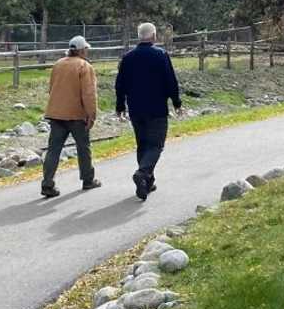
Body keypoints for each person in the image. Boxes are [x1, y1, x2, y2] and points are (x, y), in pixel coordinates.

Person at [115, 22, 181, 201]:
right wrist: (176, 102)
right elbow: (170, 81)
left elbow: (120, 84)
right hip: (157, 108)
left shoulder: (128, 58)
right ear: (153, 36)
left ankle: (147, 181)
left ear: (139, 36)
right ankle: (143, 173)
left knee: (142, 145)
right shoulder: (160, 55)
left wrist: (120, 106)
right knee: (156, 145)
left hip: (136, 109)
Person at [40, 34, 102, 198]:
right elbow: (89, 94)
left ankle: (47, 183)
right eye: (86, 49)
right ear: (81, 50)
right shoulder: (84, 66)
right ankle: (88, 179)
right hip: (76, 114)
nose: (87, 52)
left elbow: (51, 87)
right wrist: (91, 115)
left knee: (53, 150)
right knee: (83, 147)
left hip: (56, 113)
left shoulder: (58, 64)